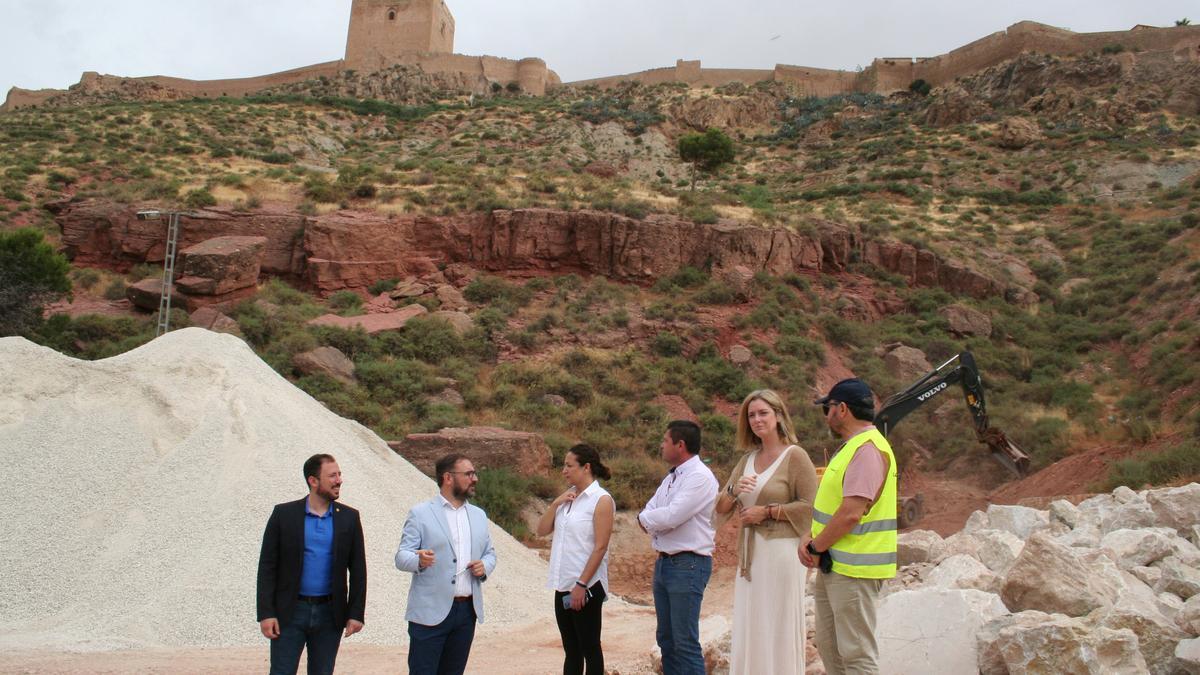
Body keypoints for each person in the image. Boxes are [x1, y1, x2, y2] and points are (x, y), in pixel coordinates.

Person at [714, 390, 818, 675]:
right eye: (751, 415)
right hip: (750, 555)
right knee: (752, 621)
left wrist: (768, 511)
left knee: (778, 621)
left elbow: (811, 506)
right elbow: (721, 507)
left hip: (782, 551)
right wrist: (735, 490)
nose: (757, 419)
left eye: (763, 413)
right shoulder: (747, 460)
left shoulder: (795, 456)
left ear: (778, 415)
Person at [799, 378, 898, 675]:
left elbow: (851, 513)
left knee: (856, 656)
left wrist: (816, 546)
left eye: (826, 409)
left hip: (854, 571)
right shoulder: (852, 447)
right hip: (837, 567)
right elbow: (832, 507)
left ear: (842, 409)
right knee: (832, 650)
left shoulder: (867, 449)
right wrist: (810, 536)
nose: (826, 416)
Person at [257, 454, 367, 675]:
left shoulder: (349, 517)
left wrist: (355, 613)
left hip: (330, 614)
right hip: (290, 612)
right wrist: (266, 613)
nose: (339, 480)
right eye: (332, 476)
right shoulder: (284, 515)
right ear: (313, 481)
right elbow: (267, 567)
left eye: (339, 474)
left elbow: (358, 570)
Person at [395, 454, 497, 675]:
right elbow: (401, 557)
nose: (475, 478)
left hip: (466, 612)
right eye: (468, 474)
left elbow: (490, 554)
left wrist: (484, 566)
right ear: (448, 477)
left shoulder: (479, 515)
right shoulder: (420, 513)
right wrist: (418, 560)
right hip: (429, 613)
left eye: (474, 473)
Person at [638, 420, 719, 675]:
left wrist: (648, 521)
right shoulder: (673, 477)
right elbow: (649, 511)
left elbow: (672, 516)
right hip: (665, 563)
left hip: (688, 564)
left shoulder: (700, 478)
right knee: (667, 640)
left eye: (665, 440)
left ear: (680, 445)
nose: (661, 445)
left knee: (684, 641)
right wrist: (650, 520)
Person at [536, 444, 616, 675]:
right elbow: (541, 530)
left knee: (590, 648)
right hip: (563, 584)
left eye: (569, 465)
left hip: (586, 586)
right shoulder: (567, 499)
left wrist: (581, 585)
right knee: (571, 650)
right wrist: (555, 504)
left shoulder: (601, 500)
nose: (564, 470)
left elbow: (600, 547)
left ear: (586, 467)